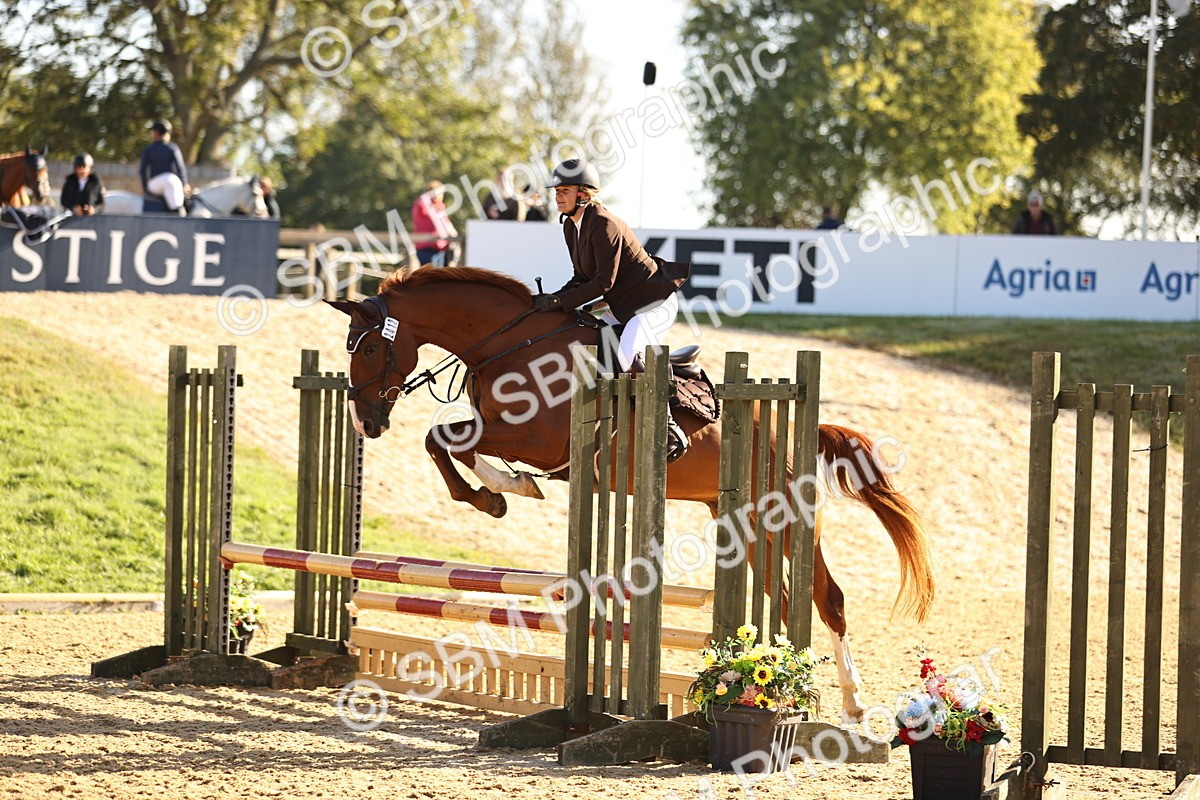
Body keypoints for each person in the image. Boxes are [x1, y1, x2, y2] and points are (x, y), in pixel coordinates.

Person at [531, 158, 692, 461]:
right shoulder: (571, 227)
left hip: (653, 303)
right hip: (622, 305)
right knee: (587, 341)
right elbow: (581, 279)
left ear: (583, 194)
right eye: (557, 191)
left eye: (564, 191)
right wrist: (552, 300)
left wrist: (560, 302)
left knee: (627, 354)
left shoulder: (604, 224)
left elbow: (603, 283)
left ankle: (668, 426)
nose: (558, 197)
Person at [139, 119, 190, 215]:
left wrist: (145, 187)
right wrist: (184, 183)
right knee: (178, 210)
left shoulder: (149, 149)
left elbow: (142, 170)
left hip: (155, 184)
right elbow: (180, 168)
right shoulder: (173, 148)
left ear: (156, 133)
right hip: (171, 181)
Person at [411, 180, 458, 266]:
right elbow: (423, 200)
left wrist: (454, 237)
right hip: (425, 248)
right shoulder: (422, 205)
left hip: (441, 248)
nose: (438, 196)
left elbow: (447, 224)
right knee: (429, 271)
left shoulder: (440, 207)